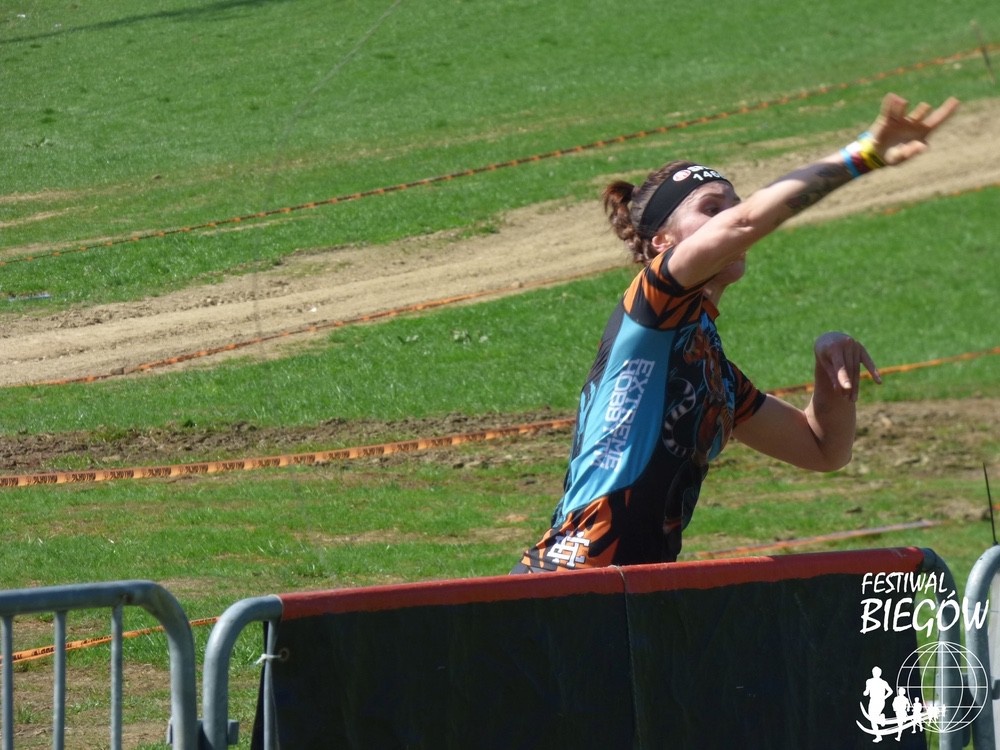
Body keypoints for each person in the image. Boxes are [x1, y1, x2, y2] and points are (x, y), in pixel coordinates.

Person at [513, 92, 959, 573]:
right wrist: (863, 154)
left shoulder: (715, 374)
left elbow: (823, 449)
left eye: (734, 205)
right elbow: (745, 224)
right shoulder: (653, 304)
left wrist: (829, 371)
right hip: (569, 576)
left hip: (637, 587)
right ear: (663, 243)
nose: (730, 216)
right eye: (712, 209)